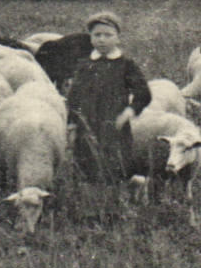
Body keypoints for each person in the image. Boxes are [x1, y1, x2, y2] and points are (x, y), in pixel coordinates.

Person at [62, 11, 151, 185]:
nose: (102, 40)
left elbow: (143, 94)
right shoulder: (85, 64)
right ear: (90, 38)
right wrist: (72, 123)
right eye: (97, 35)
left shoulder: (126, 65)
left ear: (118, 38)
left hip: (114, 125)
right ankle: (89, 196)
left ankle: (117, 195)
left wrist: (128, 113)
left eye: (108, 35)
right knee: (86, 166)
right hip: (87, 125)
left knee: (115, 168)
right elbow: (74, 97)